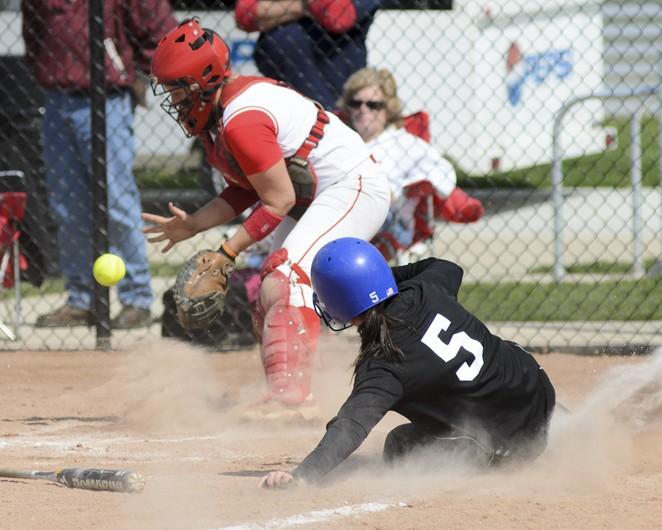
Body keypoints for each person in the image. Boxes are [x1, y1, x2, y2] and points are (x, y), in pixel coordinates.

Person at [143, 19, 390, 413]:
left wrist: (226, 252)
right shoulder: (222, 118)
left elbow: (277, 200)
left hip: (352, 185)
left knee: (287, 275)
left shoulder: (241, 119)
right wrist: (193, 225)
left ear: (203, 83)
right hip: (314, 194)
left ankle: (291, 396)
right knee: (270, 293)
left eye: (178, 89)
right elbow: (248, 187)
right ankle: (298, 384)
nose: (173, 99)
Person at [258, 237, 555, 488]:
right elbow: (447, 267)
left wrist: (303, 477)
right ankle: (554, 421)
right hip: (539, 389)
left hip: (511, 445)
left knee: (400, 444)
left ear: (341, 304)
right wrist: (380, 281)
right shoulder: (424, 290)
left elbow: (350, 426)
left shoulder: (383, 365)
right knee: (495, 365)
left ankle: (499, 456)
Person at [22, 0, 175, 328]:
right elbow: (33, 32)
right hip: (57, 99)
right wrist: (46, 71)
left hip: (108, 98)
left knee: (116, 200)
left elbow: (160, 29)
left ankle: (137, 298)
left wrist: (139, 76)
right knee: (67, 206)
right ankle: (82, 299)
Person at [337, 67, 484, 262]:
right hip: (341, 218)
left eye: (373, 105)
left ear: (388, 109)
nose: (363, 110)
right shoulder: (341, 141)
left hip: (386, 227)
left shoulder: (404, 144)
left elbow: (442, 173)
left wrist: (401, 190)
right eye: (356, 103)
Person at [234, 0, 383, 109]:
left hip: (338, 75)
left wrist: (280, 8)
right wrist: (304, 6)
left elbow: (337, 17)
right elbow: (245, 14)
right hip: (287, 86)